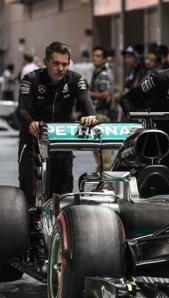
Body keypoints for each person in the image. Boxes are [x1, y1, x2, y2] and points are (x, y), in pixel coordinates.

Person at [17, 41, 98, 207]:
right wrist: (31, 122)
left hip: (62, 141)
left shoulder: (75, 79)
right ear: (46, 63)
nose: (60, 68)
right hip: (33, 140)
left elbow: (86, 102)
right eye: (56, 64)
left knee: (63, 191)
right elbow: (22, 109)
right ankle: (28, 225)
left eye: (64, 64)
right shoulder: (31, 79)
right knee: (29, 188)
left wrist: (90, 116)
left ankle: (60, 227)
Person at [89, 46, 114, 171]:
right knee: (98, 151)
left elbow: (105, 94)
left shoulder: (103, 74)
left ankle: (107, 182)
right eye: (94, 55)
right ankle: (102, 179)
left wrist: (89, 94)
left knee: (103, 152)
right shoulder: (97, 72)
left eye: (98, 56)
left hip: (101, 115)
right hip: (97, 115)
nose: (95, 58)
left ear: (104, 59)